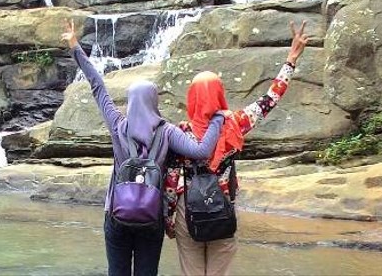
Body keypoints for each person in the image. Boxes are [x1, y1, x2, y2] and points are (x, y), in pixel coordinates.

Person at [61, 19, 225, 276]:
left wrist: (75, 46)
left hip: (116, 214)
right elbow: (203, 151)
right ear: (154, 102)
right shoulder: (167, 131)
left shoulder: (118, 125)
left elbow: (97, 86)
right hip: (151, 217)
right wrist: (217, 118)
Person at [163, 21, 310, 276]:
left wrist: (169, 219)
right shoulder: (235, 124)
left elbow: (171, 179)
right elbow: (269, 100)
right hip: (222, 206)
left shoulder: (180, 133)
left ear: (192, 98)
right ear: (219, 94)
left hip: (189, 210)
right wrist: (291, 58)